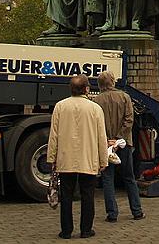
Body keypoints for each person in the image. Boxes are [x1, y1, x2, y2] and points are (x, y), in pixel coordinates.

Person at [47, 74, 108, 239]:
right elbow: (101, 137)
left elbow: (54, 135)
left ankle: (66, 231)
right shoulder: (95, 109)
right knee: (88, 194)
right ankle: (86, 230)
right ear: (87, 89)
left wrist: (51, 157)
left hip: (65, 159)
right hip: (88, 159)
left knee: (66, 195)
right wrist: (104, 159)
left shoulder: (60, 106)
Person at [94, 71, 145, 223]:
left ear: (100, 85)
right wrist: (118, 138)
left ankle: (112, 214)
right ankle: (137, 211)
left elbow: (96, 124)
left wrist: (108, 140)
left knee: (107, 178)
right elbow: (129, 120)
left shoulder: (96, 101)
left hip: (105, 145)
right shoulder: (124, 97)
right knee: (129, 177)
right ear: (113, 82)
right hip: (124, 144)